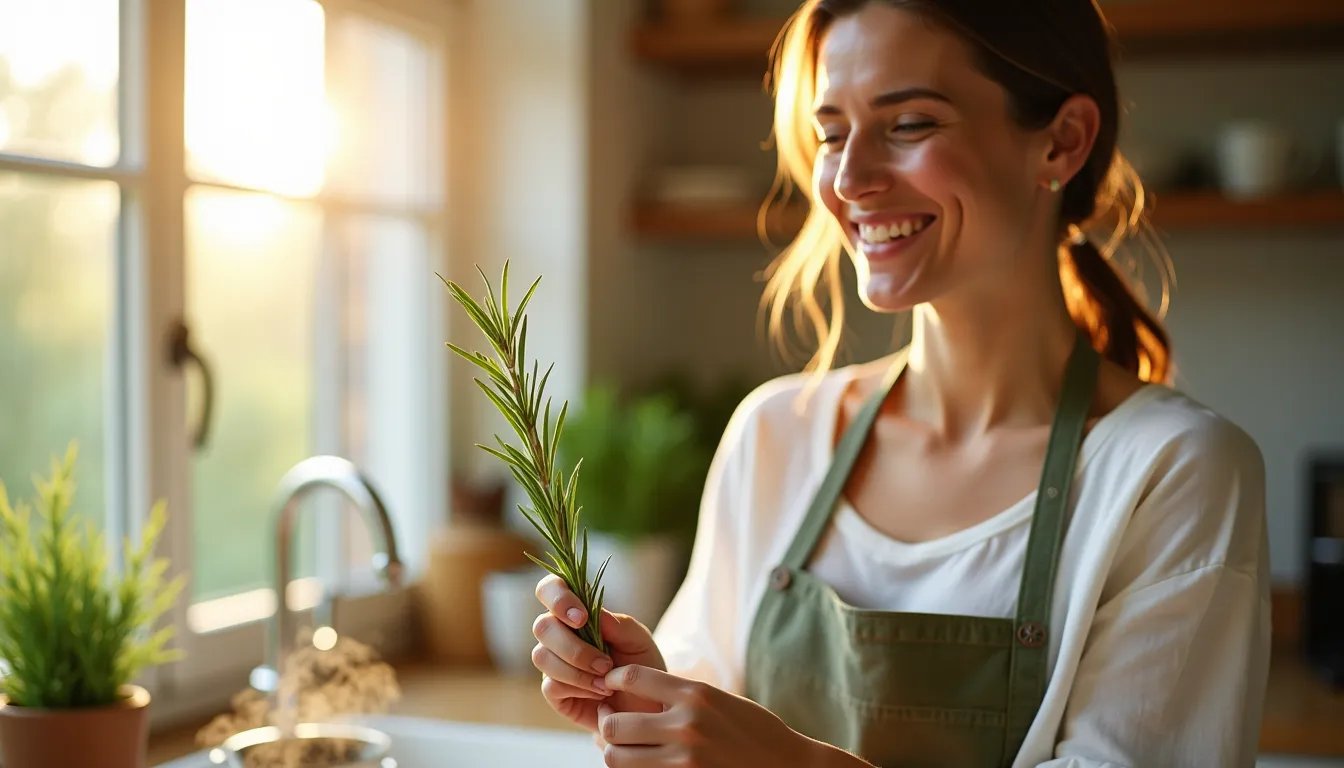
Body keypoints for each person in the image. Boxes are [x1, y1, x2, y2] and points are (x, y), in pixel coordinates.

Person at [529, 1, 1272, 766]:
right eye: (830, 134)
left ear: (1062, 141)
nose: (849, 180)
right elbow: (710, 712)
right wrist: (647, 697)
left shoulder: (1172, 470)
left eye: (909, 124)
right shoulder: (777, 433)